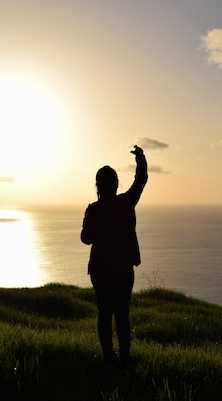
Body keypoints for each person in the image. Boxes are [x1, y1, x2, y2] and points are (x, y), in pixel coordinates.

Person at [80, 145, 148, 365]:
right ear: (116, 184)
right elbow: (141, 180)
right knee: (122, 315)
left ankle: (109, 357)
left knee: (104, 314)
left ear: (98, 186)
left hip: (100, 271)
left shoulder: (93, 209)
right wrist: (140, 158)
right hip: (122, 270)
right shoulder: (125, 203)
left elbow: (85, 238)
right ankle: (125, 358)